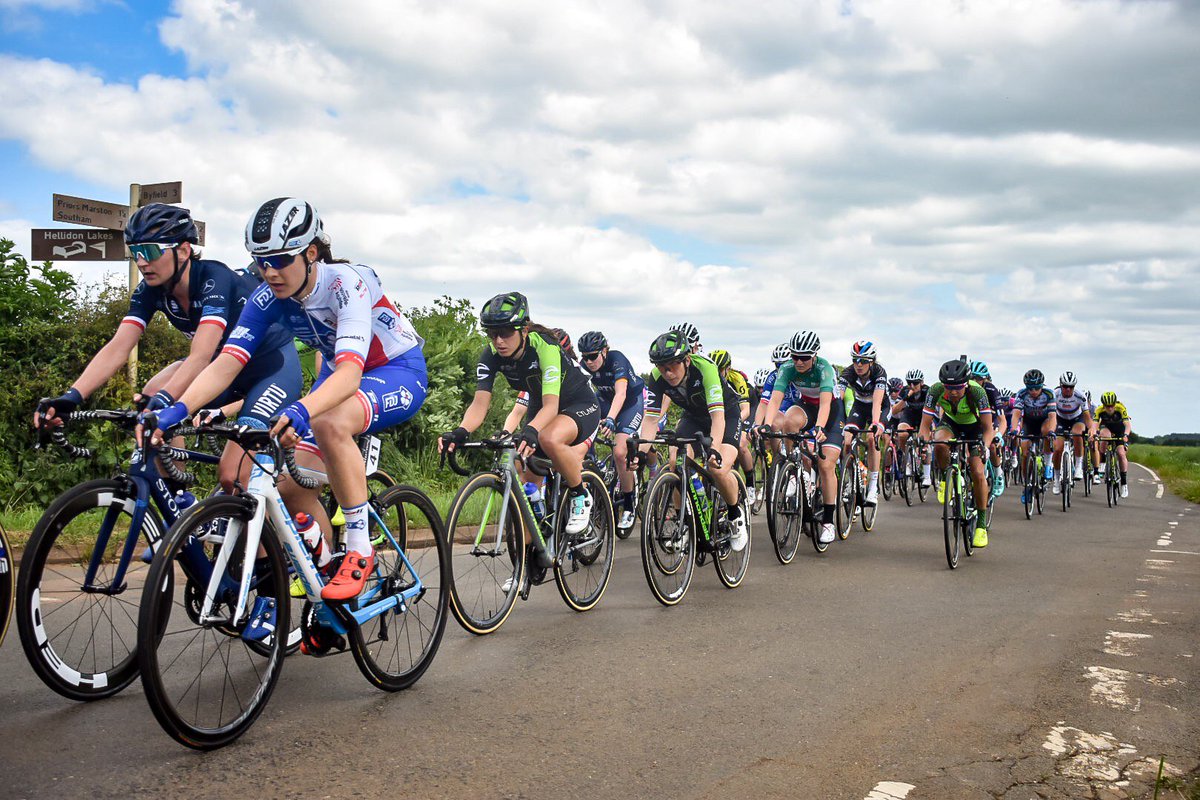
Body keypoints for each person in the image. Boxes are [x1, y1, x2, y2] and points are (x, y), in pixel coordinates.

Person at [151, 197, 427, 605]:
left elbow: (350, 374)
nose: (269, 272)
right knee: (291, 486)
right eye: (260, 261)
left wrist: (302, 408)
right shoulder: (267, 298)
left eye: (280, 259)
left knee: (329, 422)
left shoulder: (347, 283)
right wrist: (176, 409)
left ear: (310, 252)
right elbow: (226, 363)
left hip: (394, 370)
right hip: (339, 378)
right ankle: (331, 591)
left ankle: (359, 550)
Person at [35, 202, 306, 500]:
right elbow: (118, 346)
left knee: (232, 477)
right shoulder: (150, 291)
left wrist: (165, 403)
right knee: (152, 393)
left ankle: (264, 540)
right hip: (221, 370)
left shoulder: (214, 280)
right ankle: (178, 500)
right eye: (134, 252)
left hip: (269, 369)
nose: (141, 261)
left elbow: (200, 357)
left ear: (184, 250)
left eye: (150, 251)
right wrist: (71, 397)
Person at [440, 292, 600, 538]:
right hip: (542, 403)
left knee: (548, 438)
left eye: (505, 333)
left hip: (578, 401)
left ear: (524, 330)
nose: (499, 341)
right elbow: (479, 404)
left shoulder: (544, 345)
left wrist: (532, 430)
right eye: (492, 334)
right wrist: (461, 431)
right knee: (521, 469)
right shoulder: (491, 355)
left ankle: (580, 494)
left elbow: (551, 406)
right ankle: (526, 562)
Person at [638, 331, 749, 551]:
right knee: (676, 463)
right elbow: (651, 419)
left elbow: (718, 418)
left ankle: (736, 515)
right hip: (694, 418)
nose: (667, 373)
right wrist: (641, 452)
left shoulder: (705, 368)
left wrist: (714, 449)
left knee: (717, 467)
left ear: (686, 360)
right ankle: (686, 524)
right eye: (661, 367)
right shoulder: (656, 377)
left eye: (672, 366)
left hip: (725, 414)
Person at [759, 330, 842, 545]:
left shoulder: (824, 369)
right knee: (788, 422)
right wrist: (767, 424)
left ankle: (828, 522)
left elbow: (825, 404)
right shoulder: (787, 368)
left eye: (804, 358)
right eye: (795, 356)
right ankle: (794, 468)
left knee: (825, 465)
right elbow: (774, 400)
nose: (799, 361)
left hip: (831, 412)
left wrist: (820, 427)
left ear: (814, 356)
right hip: (806, 406)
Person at [918, 359, 996, 548]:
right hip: (951, 423)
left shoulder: (978, 391)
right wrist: (922, 442)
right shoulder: (935, 390)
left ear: (967, 384)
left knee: (977, 472)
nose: (953, 392)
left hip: (975, 427)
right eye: (949, 387)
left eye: (958, 388)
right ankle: (946, 480)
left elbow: (988, 428)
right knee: (939, 442)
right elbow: (925, 424)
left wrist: (985, 448)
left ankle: (981, 525)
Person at [578, 330, 646, 531]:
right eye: (585, 357)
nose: (589, 362)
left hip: (630, 403)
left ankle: (628, 503)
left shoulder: (617, 359)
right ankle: (595, 468)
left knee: (619, 452)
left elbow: (621, 393)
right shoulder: (584, 366)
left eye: (593, 356)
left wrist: (610, 419)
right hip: (605, 401)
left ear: (604, 351)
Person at [835, 339, 888, 504]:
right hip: (859, 406)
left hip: (878, 407)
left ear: (871, 362)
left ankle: (873, 486)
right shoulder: (848, 373)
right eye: (855, 360)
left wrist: (875, 423)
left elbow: (877, 402)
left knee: (872, 438)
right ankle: (851, 479)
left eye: (863, 361)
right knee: (847, 440)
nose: (859, 364)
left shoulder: (879, 372)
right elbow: (838, 399)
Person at [1011, 369, 1058, 503]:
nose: (1033, 391)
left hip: (1044, 421)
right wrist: (1014, 430)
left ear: (1042, 386)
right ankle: (1026, 485)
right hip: (1029, 423)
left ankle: (1048, 465)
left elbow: (1052, 416)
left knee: (1046, 432)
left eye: (1037, 388)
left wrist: (1051, 431)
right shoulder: (1021, 394)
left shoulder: (1049, 394)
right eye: (1030, 388)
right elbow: (1016, 414)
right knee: (1025, 451)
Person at [1094, 391, 1132, 497]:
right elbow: (1094, 425)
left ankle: (1124, 484)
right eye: (1107, 406)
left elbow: (1128, 425)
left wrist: (1126, 435)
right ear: (1103, 405)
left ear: (1115, 404)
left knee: (1121, 453)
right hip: (1107, 429)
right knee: (1103, 436)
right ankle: (1102, 463)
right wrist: (1094, 433)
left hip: (1120, 431)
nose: (1110, 408)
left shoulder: (1120, 408)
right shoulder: (1099, 410)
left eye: (1111, 406)